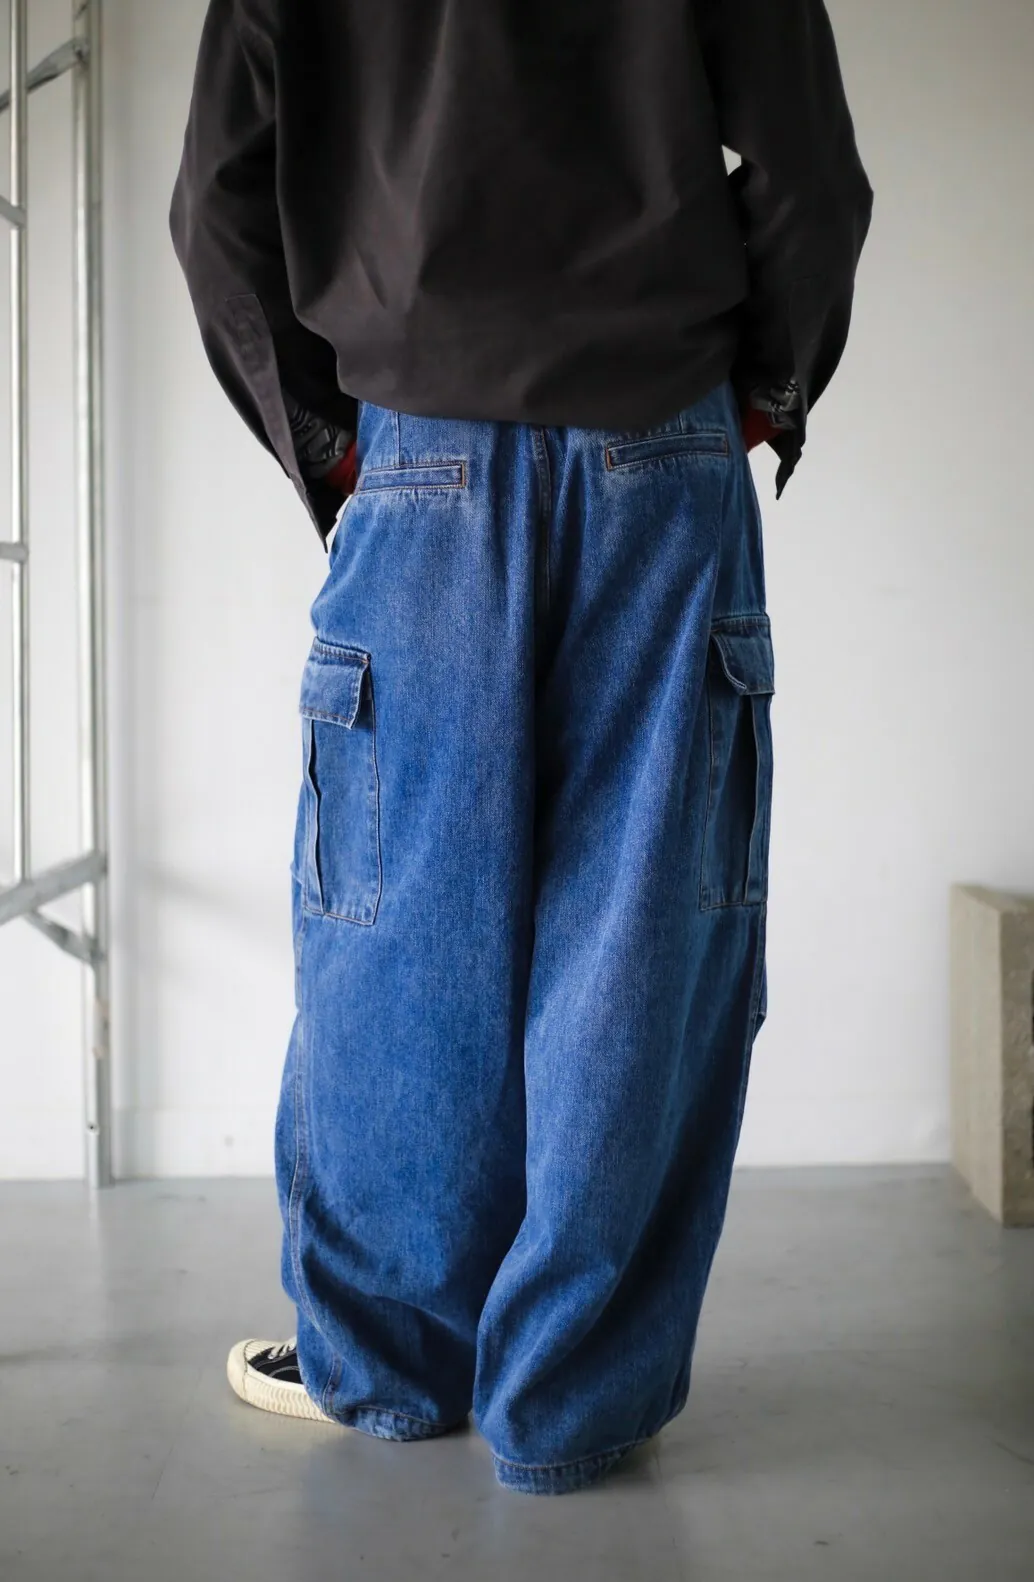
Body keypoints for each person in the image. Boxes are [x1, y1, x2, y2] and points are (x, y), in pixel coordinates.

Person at [171, 0, 872, 1495]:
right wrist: (756, 393)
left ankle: (393, 1366)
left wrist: (337, 444)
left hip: (419, 444)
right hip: (661, 453)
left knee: (391, 933)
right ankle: (574, 1399)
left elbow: (217, 202)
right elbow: (811, 175)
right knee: (640, 933)